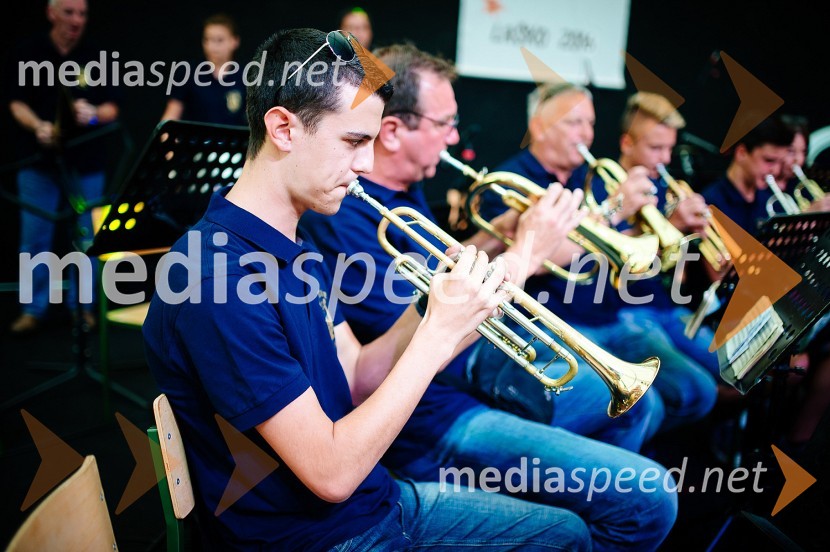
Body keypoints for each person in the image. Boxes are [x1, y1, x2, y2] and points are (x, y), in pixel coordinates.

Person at [143, 28, 592, 551]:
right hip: (319, 538)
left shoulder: (294, 242)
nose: (366, 166)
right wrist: (438, 337)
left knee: (567, 534)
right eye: (354, 142)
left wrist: (434, 302)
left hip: (377, 503)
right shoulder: (216, 282)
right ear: (283, 128)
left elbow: (356, 378)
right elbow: (332, 475)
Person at [301, 44, 677, 552]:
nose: (455, 138)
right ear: (394, 131)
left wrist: (495, 237)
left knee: (636, 421)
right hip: (431, 422)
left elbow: (433, 275)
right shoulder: (347, 212)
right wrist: (525, 251)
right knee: (647, 497)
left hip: (464, 387)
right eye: (446, 123)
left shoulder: (405, 191)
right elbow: (418, 335)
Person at [490, 83, 718, 433]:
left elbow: (624, 252)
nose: (586, 134)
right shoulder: (511, 180)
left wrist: (665, 231)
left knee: (697, 392)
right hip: (557, 322)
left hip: (612, 313)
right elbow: (536, 252)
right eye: (574, 122)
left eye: (591, 123)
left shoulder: (593, 177)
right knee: (645, 408)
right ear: (538, 126)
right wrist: (612, 210)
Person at [7, 0, 120, 333]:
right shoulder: (28, 51)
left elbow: (113, 107)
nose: (76, 20)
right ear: (51, 12)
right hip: (39, 164)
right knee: (34, 240)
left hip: (86, 166)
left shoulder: (97, 56)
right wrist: (37, 126)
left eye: (83, 13)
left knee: (87, 240)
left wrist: (95, 114)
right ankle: (33, 309)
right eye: (69, 12)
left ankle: (82, 309)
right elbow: (16, 102)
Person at [615, 92, 720, 378]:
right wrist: (672, 224)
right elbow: (618, 270)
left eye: (669, 149)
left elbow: (679, 277)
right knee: (696, 387)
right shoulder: (607, 189)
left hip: (668, 305)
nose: (665, 159)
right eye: (656, 148)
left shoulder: (666, 189)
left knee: (734, 368)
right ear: (627, 143)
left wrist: (694, 233)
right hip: (627, 310)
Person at [160, 13, 247, 126]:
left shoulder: (246, 76)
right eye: (207, 39)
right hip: (196, 142)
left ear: (235, 41)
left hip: (233, 143)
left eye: (219, 40)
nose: (212, 46)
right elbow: (170, 117)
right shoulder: (188, 73)